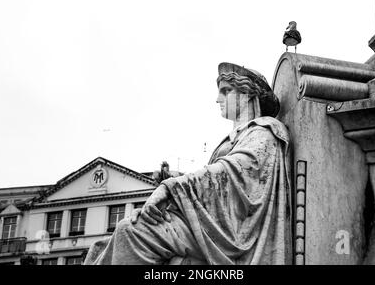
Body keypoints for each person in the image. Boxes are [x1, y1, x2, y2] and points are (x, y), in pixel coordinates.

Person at [84, 62, 292, 265]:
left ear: (247, 95)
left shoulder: (264, 130)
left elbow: (235, 171)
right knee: (102, 247)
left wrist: (172, 188)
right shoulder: (236, 137)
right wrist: (174, 182)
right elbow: (212, 183)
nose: (217, 99)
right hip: (209, 221)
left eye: (226, 91)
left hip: (230, 229)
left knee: (131, 232)